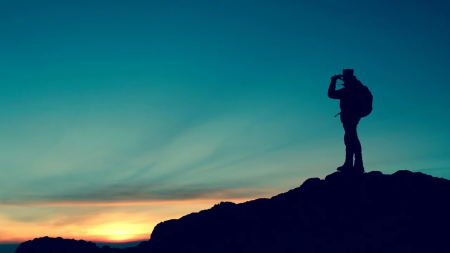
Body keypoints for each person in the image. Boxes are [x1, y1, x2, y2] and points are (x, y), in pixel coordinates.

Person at [328, 69, 365, 173]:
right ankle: (354, 164)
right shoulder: (357, 87)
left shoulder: (350, 90)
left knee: (350, 139)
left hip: (350, 117)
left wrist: (333, 81)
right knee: (351, 138)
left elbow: (331, 94)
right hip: (352, 116)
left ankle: (352, 165)